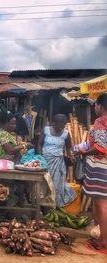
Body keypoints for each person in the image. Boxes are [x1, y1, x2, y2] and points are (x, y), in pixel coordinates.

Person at [79, 94, 107, 254]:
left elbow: (101, 148)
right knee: (100, 203)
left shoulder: (101, 121)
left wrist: (84, 152)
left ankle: (103, 242)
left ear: (101, 106)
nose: (94, 107)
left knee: (102, 205)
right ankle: (102, 237)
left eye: (96, 105)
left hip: (101, 167)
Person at [38, 114, 76, 207]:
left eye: (63, 125)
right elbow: (39, 144)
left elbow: (68, 147)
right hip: (45, 161)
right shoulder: (46, 130)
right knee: (44, 183)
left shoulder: (66, 134)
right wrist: (40, 157)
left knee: (56, 184)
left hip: (58, 162)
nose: (61, 127)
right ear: (53, 123)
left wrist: (71, 155)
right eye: (59, 125)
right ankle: (43, 205)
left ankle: (54, 205)